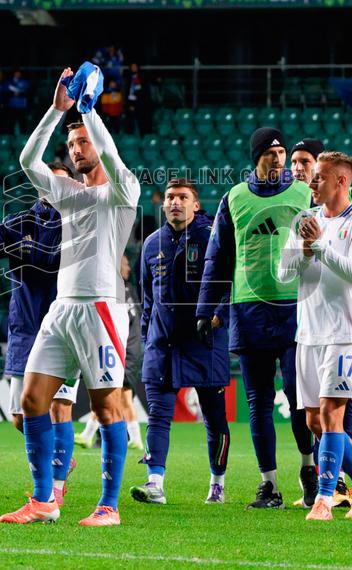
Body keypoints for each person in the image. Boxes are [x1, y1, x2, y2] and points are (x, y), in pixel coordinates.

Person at [0, 63, 140, 527]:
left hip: (101, 309)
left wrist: (89, 112)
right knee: (32, 402)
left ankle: (109, 506)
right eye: (73, 143)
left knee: (106, 406)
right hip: (62, 309)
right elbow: (27, 162)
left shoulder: (123, 192)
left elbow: (116, 162)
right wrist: (56, 111)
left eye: (83, 142)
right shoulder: (66, 194)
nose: (77, 149)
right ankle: (44, 500)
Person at [195, 127, 316, 510]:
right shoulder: (234, 199)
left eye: (282, 151)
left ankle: (309, 470)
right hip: (247, 311)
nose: (279, 158)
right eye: (271, 151)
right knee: (257, 403)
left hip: (297, 309)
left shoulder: (305, 193)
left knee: (301, 400)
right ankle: (269, 486)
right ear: (257, 157)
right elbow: (218, 258)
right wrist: (205, 309)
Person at [0, 161, 80, 506]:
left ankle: (54, 488)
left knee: (59, 408)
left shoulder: (81, 223)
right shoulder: (19, 223)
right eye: (50, 181)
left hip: (63, 329)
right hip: (25, 331)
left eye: (64, 183)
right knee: (20, 417)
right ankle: (60, 455)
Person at [276, 151, 352, 521]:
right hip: (309, 330)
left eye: (319, 176)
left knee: (331, 415)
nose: (312, 182)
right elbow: (285, 273)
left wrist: (320, 245)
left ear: (341, 181)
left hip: (344, 330)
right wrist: (306, 249)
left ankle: (323, 499)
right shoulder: (305, 220)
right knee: (314, 422)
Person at [131, 179, 231, 506]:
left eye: (183, 197)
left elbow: (230, 285)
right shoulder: (150, 244)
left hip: (204, 342)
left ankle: (217, 483)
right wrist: (148, 337)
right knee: (158, 415)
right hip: (163, 343)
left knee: (215, 418)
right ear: (163, 205)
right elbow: (147, 298)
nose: (176, 202)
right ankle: (155, 482)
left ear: (196, 205)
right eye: (171, 197)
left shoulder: (212, 238)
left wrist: (218, 316)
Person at [119, 254, 144, 450]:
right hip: (133, 350)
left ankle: (135, 438)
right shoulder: (130, 289)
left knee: (121, 394)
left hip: (127, 351)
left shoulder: (120, 290)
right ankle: (133, 437)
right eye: (125, 265)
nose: (128, 269)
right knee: (121, 394)